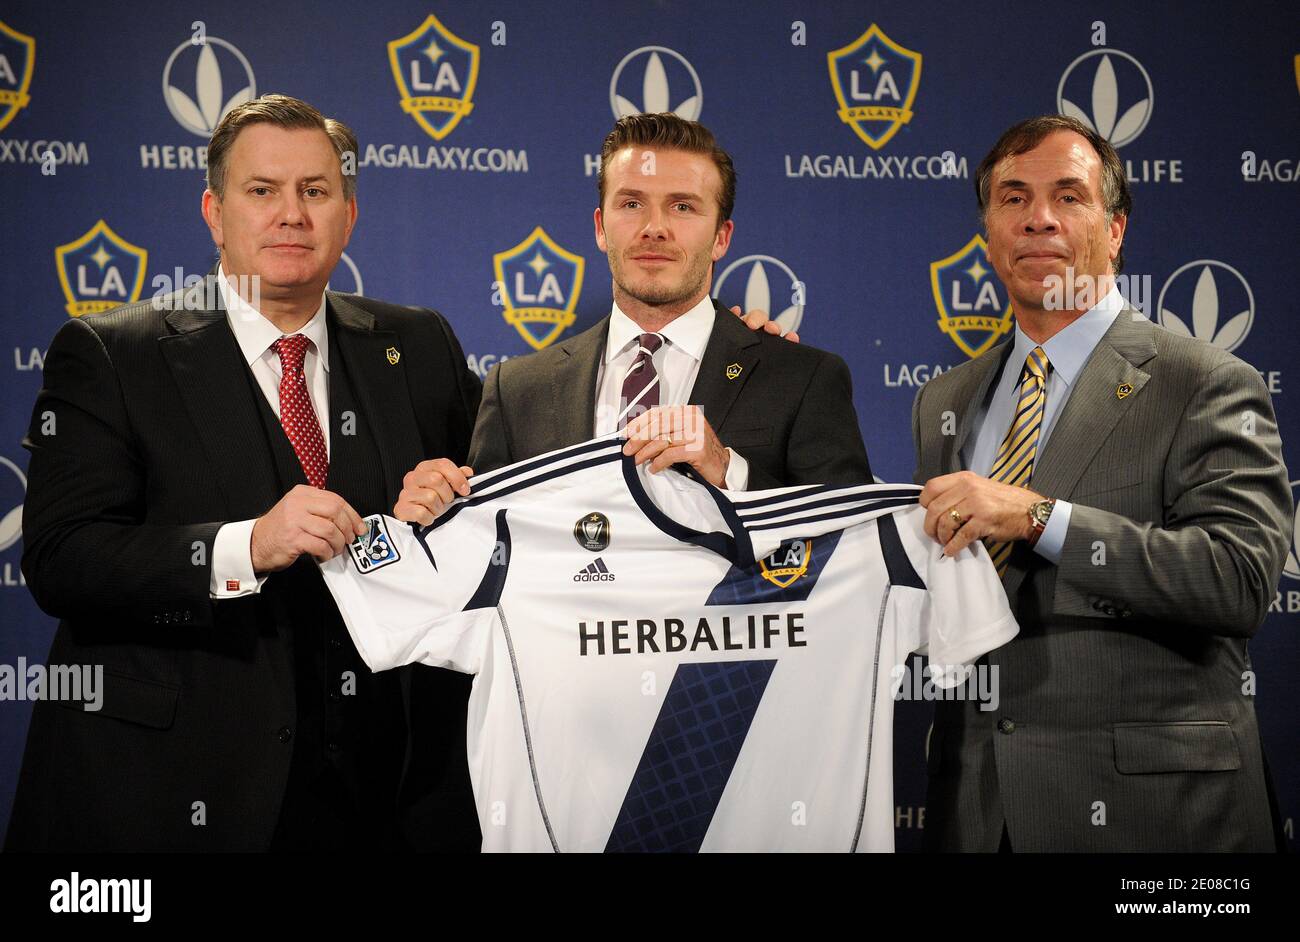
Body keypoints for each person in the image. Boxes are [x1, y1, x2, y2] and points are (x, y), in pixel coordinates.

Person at [6, 95, 481, 851]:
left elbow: (516, 489)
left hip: (381, 801)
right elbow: (62, 560)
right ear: (213, 210)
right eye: (262, 191)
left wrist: (735, 350)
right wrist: (243, 546)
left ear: (348, 215)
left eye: (315, 192)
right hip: (175, 794)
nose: (291, 214)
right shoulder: (112, 354)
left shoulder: (418, 346)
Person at [912, 114, 1290, 852]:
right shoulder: (944, 402)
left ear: (1115, 229)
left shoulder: (1205, 382)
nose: (1039, 219)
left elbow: (1238, 581)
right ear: (988, 230)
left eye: (1069, 197)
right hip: (980, 812)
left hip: (1156, 819)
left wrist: (1040, 518)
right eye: (1013, 198)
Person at [396, 113, 871, 526]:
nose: (654, 227)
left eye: (682, 206)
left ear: (722, 237)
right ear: (602, 227)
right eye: (631, 203)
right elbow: (487, 548)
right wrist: (435, 513)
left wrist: (727, 469)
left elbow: (850, 547)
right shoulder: (518, 389)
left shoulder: (803, 378)